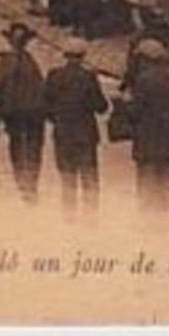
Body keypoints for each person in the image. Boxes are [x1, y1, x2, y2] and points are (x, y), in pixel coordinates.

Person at [128, 38, 169, 215]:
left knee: (148, 180)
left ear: (146, 59)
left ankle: (150, 216)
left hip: (148, 139)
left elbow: (135, 111)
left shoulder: (144, 80)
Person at [0, 23, 47, 204]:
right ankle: (32, 184)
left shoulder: (7, 61)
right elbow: (40, 85)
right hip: (35, 112)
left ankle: (23, 184)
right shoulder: (30, 60)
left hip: (15, 112)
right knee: (33, 148)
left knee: (18, 147)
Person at [44, 43, 109, 215]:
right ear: (82, 56)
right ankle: (90, 215)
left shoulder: (54, 76)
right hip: (85, 134)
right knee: (89, 177)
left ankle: (69, 214)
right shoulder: (88, 77)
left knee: (67, 177)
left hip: (63, 133)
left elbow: (45, 105)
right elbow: (100, 106)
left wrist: (57, 118)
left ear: (66, 56)